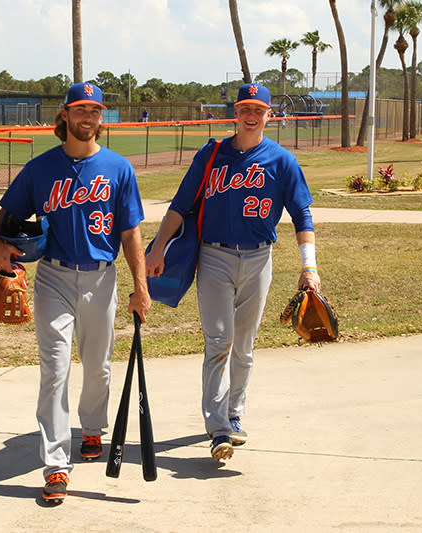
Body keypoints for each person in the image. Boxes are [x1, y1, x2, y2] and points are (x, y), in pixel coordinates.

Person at [0, 82, 151, 501]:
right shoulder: (41, 169)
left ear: (102, 117)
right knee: (55, 369)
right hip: (54, 278)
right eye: (80, 109)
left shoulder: (118, 168)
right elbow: (3, 217)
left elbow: (131, 232)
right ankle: (56, 465)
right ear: (65, 116)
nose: (88, 117)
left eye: (94, 110)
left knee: (98, 366)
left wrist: (140, 288)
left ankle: (92, 428)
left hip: (102, 275)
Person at [144, 83, 321, 461]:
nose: (251, 115)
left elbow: (302, 213)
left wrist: (310, 266)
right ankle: (219, 428)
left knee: (244, 345)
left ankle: (235, 416)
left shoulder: (282, 161)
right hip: (214, 257)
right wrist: (158, 246)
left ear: (270, 115)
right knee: (219, 341)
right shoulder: (213, 155)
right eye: (245, 108)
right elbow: (180, 204)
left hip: (259, 258)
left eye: (259, 109)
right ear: (236, 113)